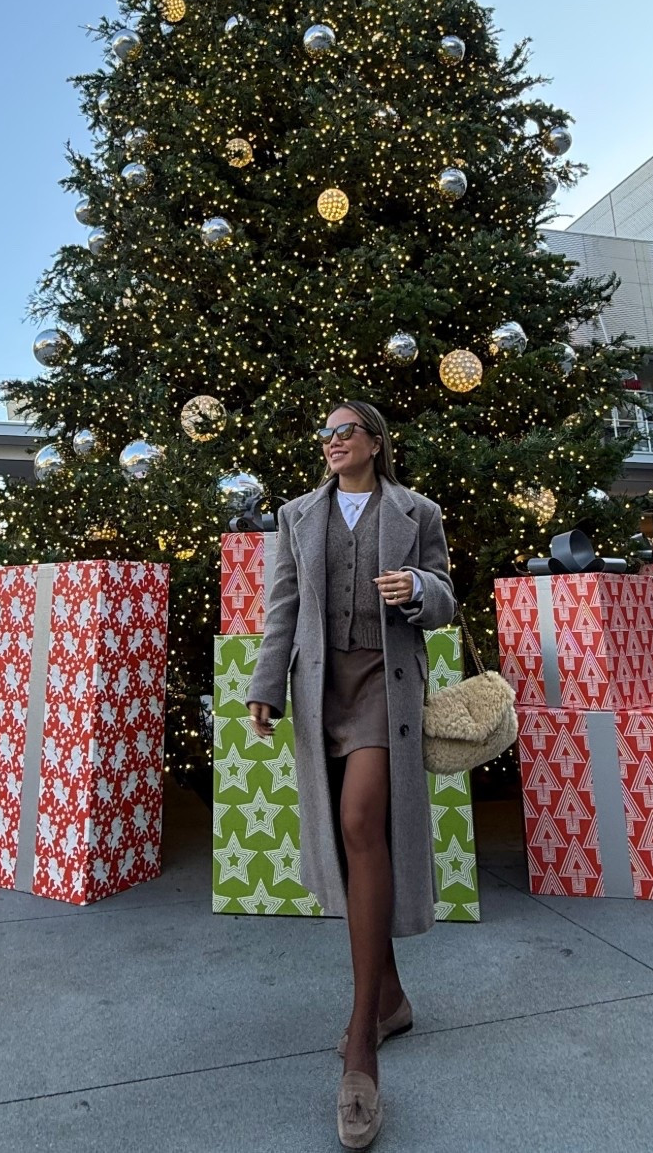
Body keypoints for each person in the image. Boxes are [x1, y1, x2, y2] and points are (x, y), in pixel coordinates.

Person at [246, 403, 456, 1150]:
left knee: (362, 823)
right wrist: (265, 685)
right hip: (319, 690)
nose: (333, 441)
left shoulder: (416, 509)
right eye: (325, 432)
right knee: (352, 848)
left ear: (375, 442)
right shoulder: (298, 513)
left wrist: (420, 592)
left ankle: (362, 1041)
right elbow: (283, 608)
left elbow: (447, 597)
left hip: (383, 688)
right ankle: (393, 996)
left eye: (345, 431)